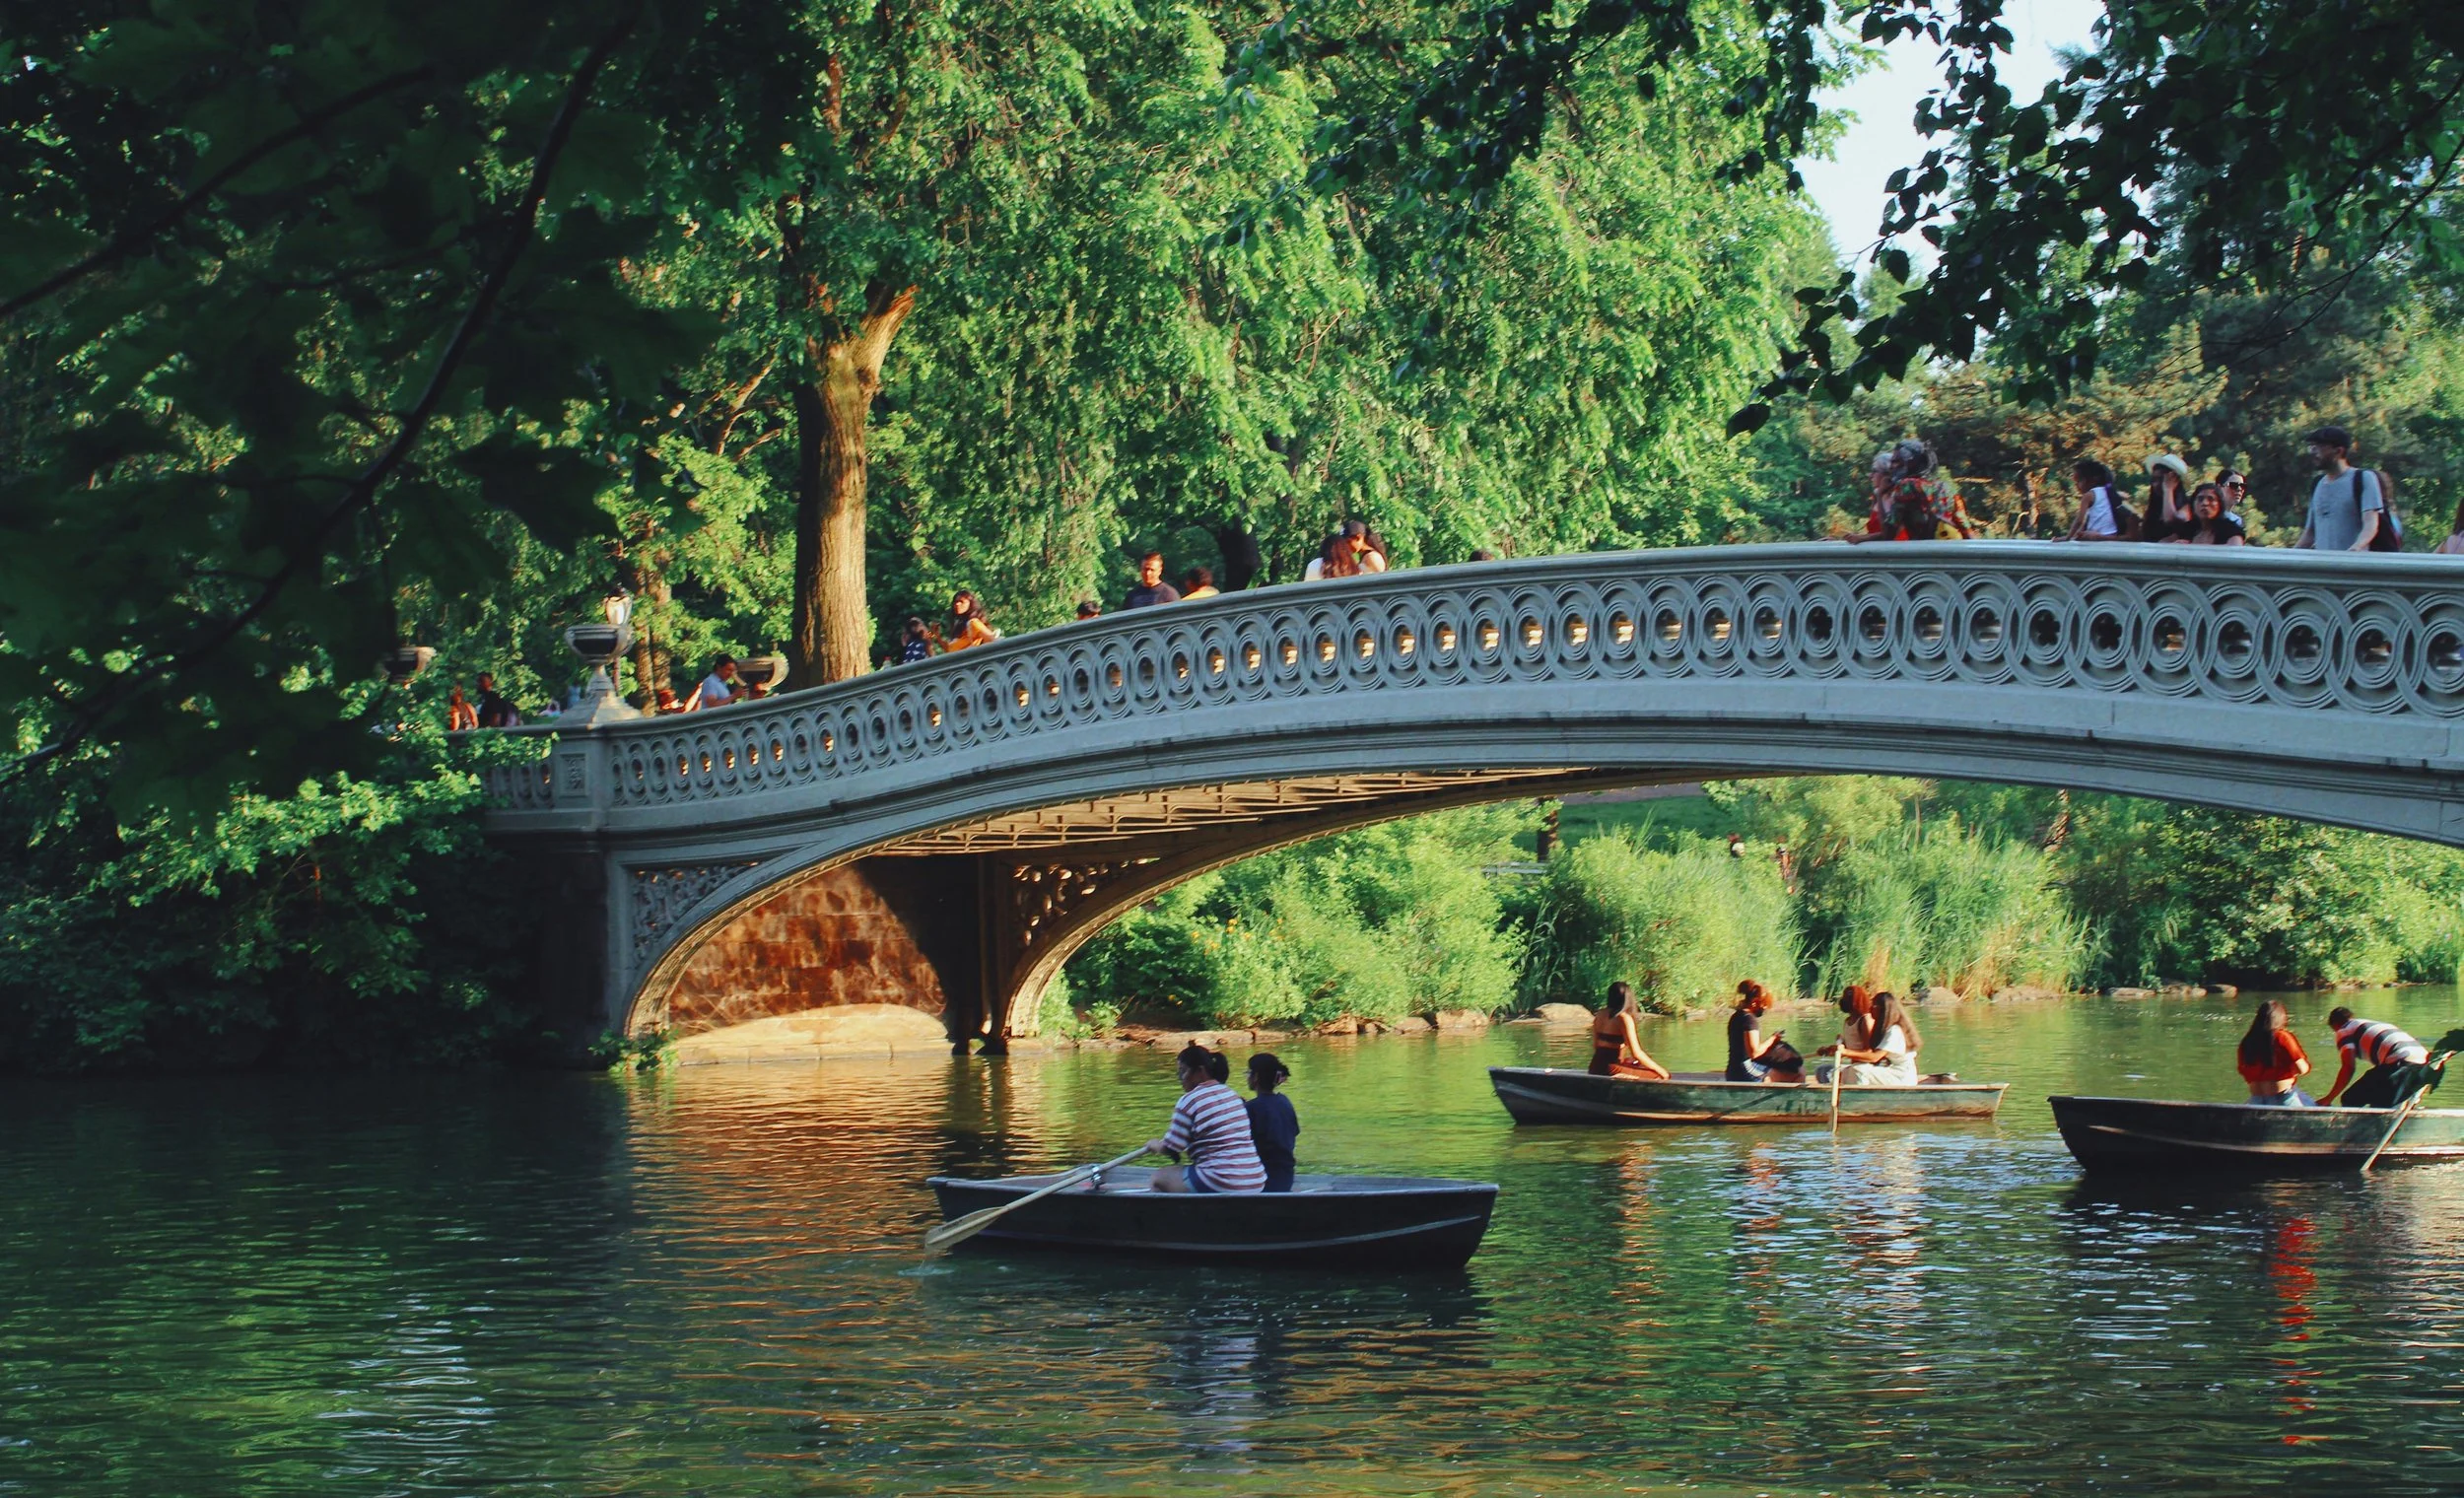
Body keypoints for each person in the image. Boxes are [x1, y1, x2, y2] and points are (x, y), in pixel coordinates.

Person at [1144, 1044, 1266, 1193]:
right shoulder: (1231, 1094)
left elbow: (1171, 1148)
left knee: (1159, 1178)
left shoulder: (1190, 1100)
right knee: (1184, 1171)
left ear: (1200, 1071)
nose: (1180, 1078)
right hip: (1256, 1180)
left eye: (1183, 1071)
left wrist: (1155, 1145)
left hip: (1223, 1181)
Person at [2293, 425, 2386, 552]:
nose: (2313, 452)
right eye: (2311, 447)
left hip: (2353, 567)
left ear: (2338, 451)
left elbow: (2371, 524)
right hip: (2323, 568)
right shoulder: (2317, 483)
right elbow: (2310, 533)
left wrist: (2356, 547)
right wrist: (2286, 557)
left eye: (2319, 446)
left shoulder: (2363, 478)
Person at [2321, 1007, 2432, 1109]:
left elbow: (2348, 1067)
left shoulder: (2343, 1030)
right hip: (2426, 1065)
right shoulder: (2371, 1024)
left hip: (2401, 1062)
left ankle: (2355, 1130)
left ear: (2334, 1025)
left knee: (2350, 1098)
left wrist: (2329, 1098)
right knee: (2385, 1102)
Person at [1815, 987, 1920, 1086]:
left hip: (1902, 1077)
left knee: (1858, 1070)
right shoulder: (1887, 1029)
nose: (1869, 1008)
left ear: (1883, 1009)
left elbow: (1875, 1057)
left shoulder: (1895, 1031)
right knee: (1829, 1071)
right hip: (1893, 1073)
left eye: (1873, 1005)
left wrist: (1845, 1052)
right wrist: (1834, 1050)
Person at [2236, 999, 2315, 1106]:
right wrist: (2291, 1071)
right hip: (2283, 1099)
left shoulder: (2246, 1041)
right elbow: (2302, 1068)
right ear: (2281, 1017)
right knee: (2317, 1107)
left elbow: (2244, 1071)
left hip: (2256, 1100)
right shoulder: (2282, 1037)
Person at [1588, 982, 1672, 1080]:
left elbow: (1596, 1046)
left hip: (1594, 1067)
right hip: (1610, 1070)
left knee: (1634, 1064)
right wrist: (1663, 1072)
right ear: (1627, 998)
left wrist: (1623, 1061)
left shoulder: (1600, 1014)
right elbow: (1637, 1053)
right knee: (1657, 1075)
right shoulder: (1624, 1019)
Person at [1727, 981, 1804, 1083]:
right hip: (1745, 1073)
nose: (1765, 1008)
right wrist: (1773, 1038)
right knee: (1798, 1073)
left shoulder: (1736, 1016)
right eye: (1763, 1005)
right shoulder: (1749, 1020)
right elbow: (1754, 1053)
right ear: (1754, 1002)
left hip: (1732, 1072)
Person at [1245, 1054, 1300, 1192]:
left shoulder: (1251, 1108)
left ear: (1255, 1077)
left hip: (1262, 1180)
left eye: (1248, 1072)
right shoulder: (1284, 1102)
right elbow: (1294, 1131)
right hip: (1286, 1177)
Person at [2065, 459, 2136, 542]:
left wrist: (2067, 537)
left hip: (2095, 540)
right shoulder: (2109, 493)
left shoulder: (2089, 495)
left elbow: (2079, 520)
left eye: (2079, 481)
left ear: (2092, 480)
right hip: (2112, 537)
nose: (2076, 485)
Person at [2172, 482, 2247, 545]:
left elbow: (2234, 556)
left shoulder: (2231, 531)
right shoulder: (2188, 529)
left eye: (2211, 499)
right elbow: (2163, 546)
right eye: (2200, 499)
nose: (2205, 503)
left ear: (2220, 505)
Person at [2142, 454, 2194, 542]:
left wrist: (2168, 489)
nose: (2156, 485)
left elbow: (2170, 520)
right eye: (2154, 480)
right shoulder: (2152, 510)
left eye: (2162, 480)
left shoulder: (2187, 506)